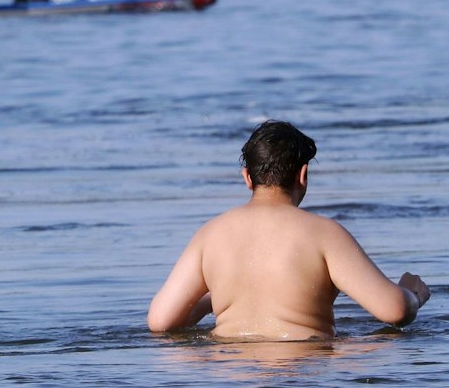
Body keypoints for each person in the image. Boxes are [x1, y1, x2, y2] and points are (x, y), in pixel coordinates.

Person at [147, 120, 431, 340]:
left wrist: (214, 300)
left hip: (231, 368)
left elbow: (160, 322)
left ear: (247, 178)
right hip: (303, 363)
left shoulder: (209, 234)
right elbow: (394, 311)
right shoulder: (324, 233)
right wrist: (412, 293)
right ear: (303, 175)